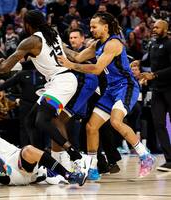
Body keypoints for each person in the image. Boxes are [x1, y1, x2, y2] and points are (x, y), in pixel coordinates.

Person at [0, 10, 91, 177]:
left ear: (27, 24)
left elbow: (5, 69)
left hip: (61, 82)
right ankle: (46, 164)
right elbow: (70, 55)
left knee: (42, 121)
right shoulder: (52, 33)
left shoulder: (30, 41)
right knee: (31, 121)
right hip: (62, 80)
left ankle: (76, 157)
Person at [57, 12, 155, 180]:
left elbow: (96, 69)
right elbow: (78, 56)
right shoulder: (97, 45)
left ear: (106, 27)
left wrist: (71, 65)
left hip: (126, 86)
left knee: (115, 121)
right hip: (110, 89)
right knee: (91, 127)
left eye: (94, 27)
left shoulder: (114, 43)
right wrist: (57, 43)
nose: (91, 29)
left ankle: (145, 156)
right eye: (90, 27)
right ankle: (93, 167)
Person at [140, 20, 171, 172]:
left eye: (157, 27)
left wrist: (155, 75)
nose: (154, 29)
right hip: (157, 90)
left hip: (170, 89)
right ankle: (169, 160)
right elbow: (147, 62)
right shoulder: (152, 44)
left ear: (165, 29)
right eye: (153, 27)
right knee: (158, 124)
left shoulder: (169, 44)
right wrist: (139, 67)